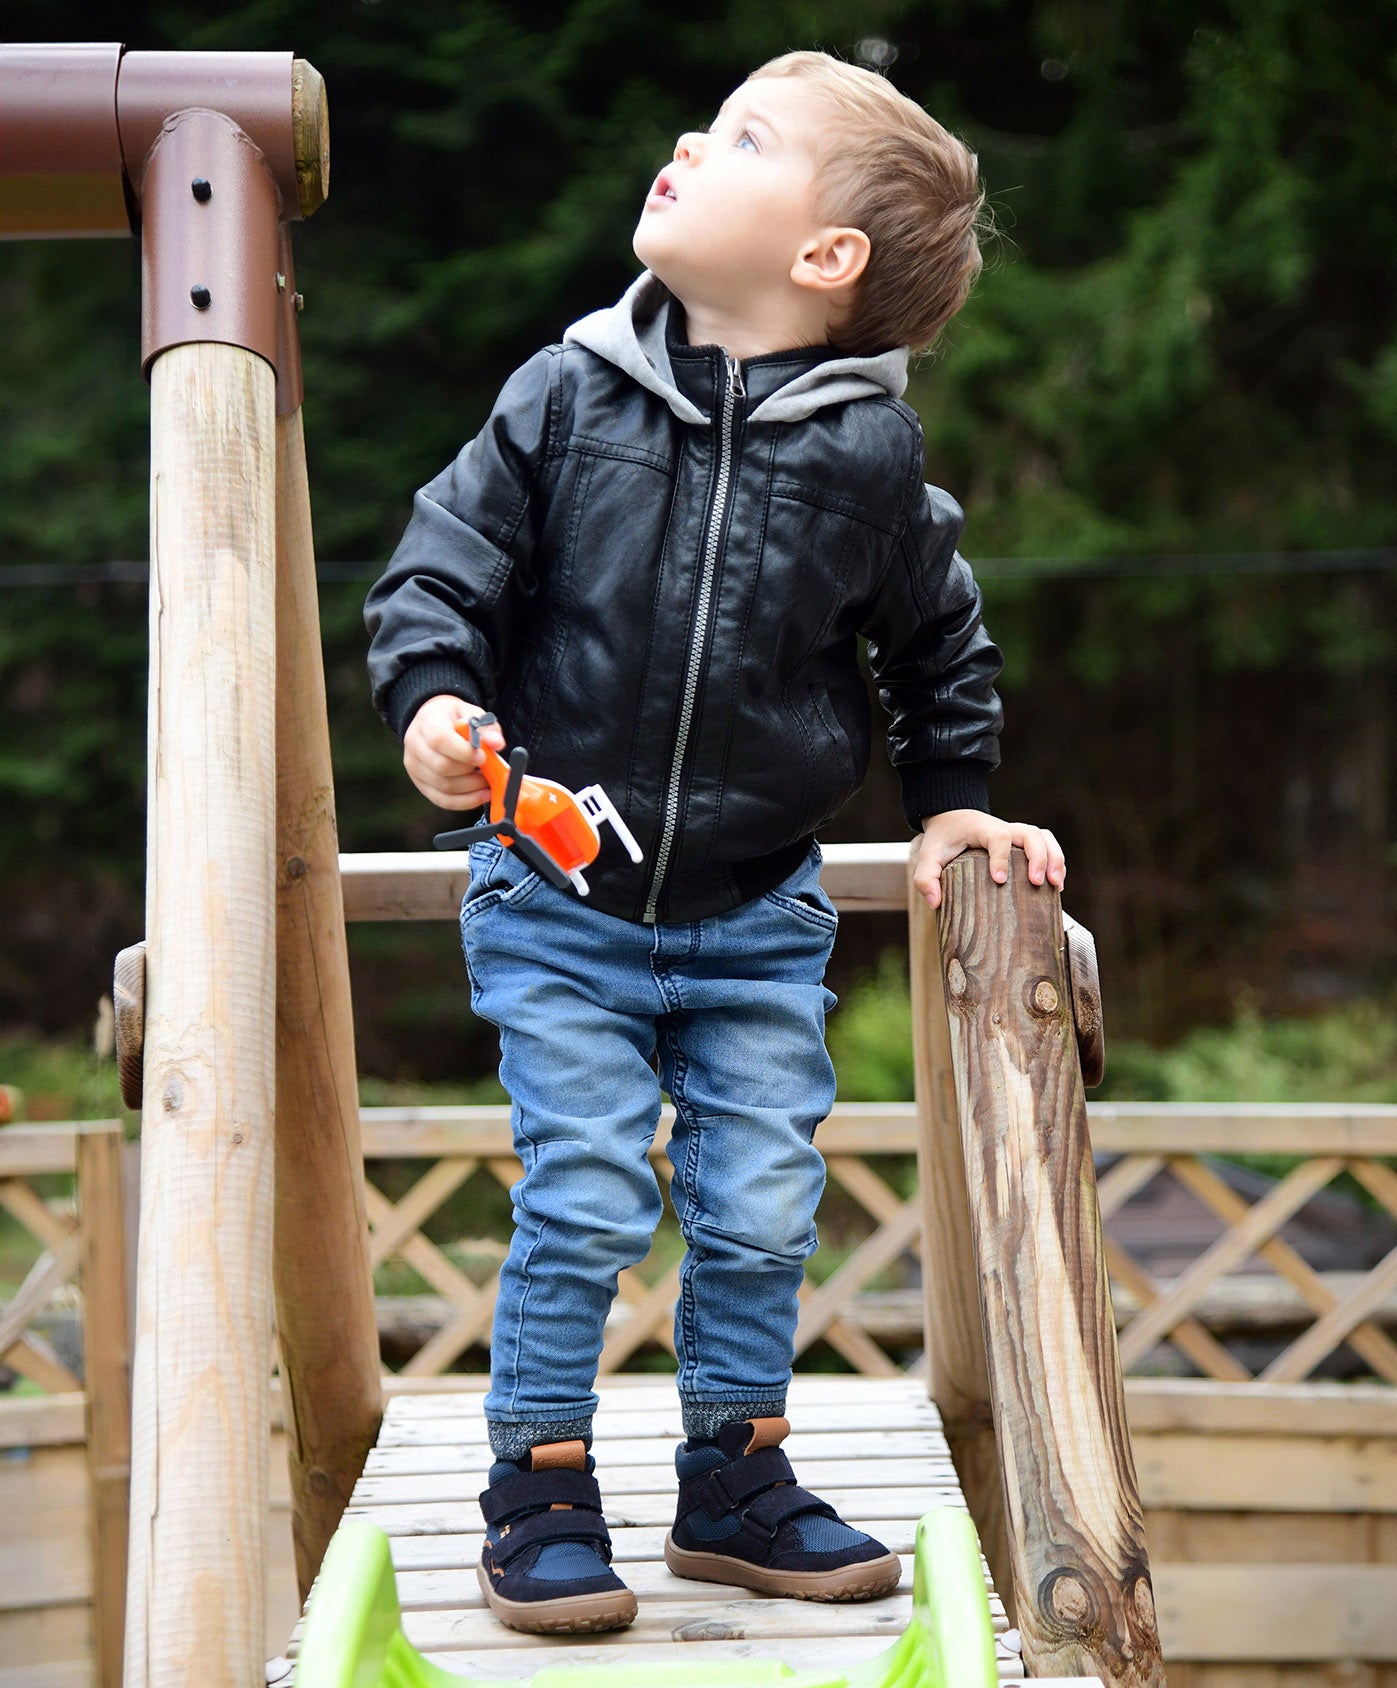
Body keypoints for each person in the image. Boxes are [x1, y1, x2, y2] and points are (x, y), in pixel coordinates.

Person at [366, 49, 1065, 1636]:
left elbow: (937, 645)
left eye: (744, 136)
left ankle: (734, 1484)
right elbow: (441, 568)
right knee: (589, 1191)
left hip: (757, 915)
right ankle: (538, 1486)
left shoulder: (872, 463)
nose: (691, 137)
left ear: (826, 257)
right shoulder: (565, 396)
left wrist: (953, 797)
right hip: (561, 894)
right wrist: (435, 699)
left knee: (758, 1202)